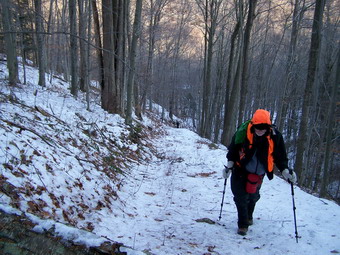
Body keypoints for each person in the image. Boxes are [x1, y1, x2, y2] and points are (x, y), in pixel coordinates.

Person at [222, 109, 297, 236]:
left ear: (269, 127)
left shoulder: (275, 137)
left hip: (258, 174)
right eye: (257, 127)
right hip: (241, 169)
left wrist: (285, 171)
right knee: (240, 197)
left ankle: (249, 215)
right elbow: (233, 149)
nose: (260, 130)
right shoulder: (243, 133)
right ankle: (243, 225)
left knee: (253, 196)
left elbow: (280, 156)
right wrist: (229, 166)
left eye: (263, 128)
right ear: (253, 125)